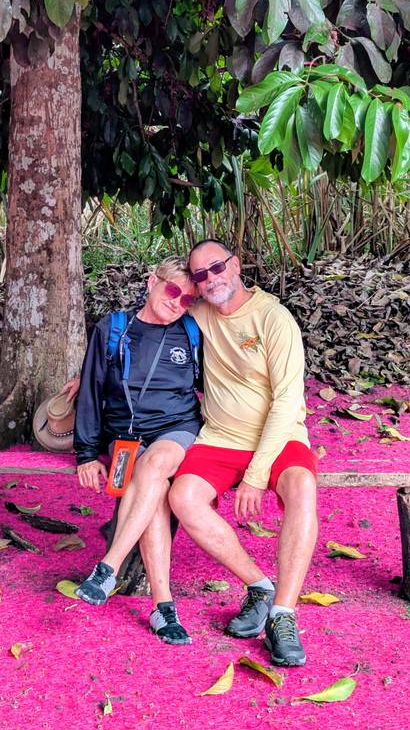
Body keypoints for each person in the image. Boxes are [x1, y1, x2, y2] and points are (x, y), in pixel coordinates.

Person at [169, 239, 318, 667]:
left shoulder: (275, 319)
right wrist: (83, 377)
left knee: (302, 487)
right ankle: (258, 585)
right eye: (200, 275)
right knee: (182, 498)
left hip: (279, 435)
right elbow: (147, 321)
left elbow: (287, 402)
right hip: (220, 437)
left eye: (216, 268)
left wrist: (255, 475)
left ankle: (283, 615)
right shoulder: (199, 312)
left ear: (235, 265)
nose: (210, 279)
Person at [69, 256, 202, 645]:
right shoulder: (113, 328)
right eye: (173, 291)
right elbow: (92, 391)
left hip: (176, 428)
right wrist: (86, 453)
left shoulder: (191, 333)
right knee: (153, 486)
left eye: (188, 299)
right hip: (124, 434)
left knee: (157, 464)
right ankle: (164, 608)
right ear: (152, 281)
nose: (177, 303)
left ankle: (108, 567)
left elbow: (218, 387)